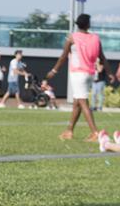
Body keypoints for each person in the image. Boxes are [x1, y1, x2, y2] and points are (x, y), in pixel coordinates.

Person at [46, 14, 109, 142]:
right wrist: (110, 73)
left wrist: (54, 70)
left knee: (82, 101)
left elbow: (63, 56)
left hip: (78, 74)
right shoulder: (95, 38)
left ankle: (95, 132)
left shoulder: (72, 38)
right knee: (77, 103)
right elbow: (102, 57)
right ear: (88, 24)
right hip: (90, 73)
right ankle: (69, 131)